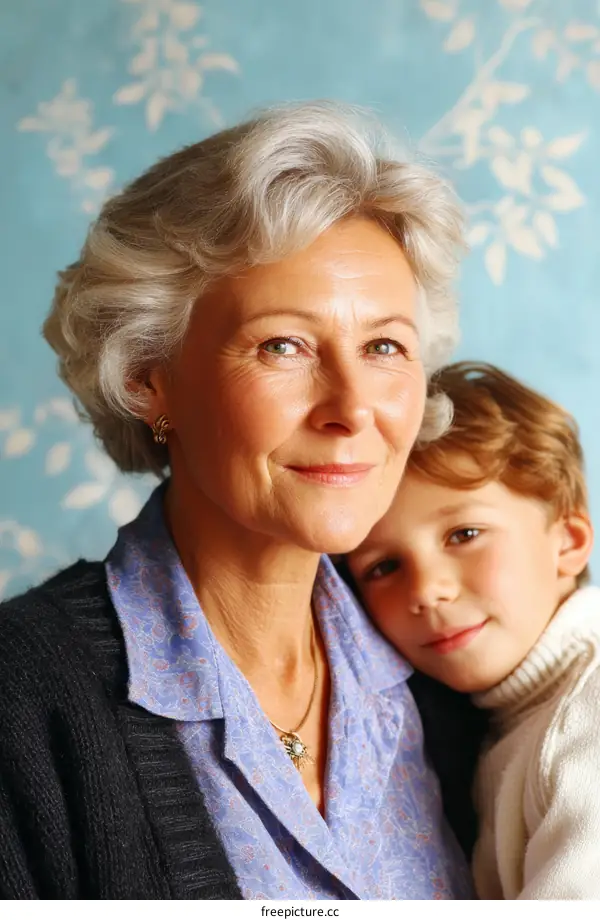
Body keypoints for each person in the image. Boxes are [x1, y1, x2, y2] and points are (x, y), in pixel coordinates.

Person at [0, 102, 477, 900]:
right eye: (282, 345)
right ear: (148, 377)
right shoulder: (21, 703)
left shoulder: (454, 659)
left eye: (384, 345)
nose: (353, 408)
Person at [346, 361, 598, 899]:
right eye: (383, 567)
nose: (426, 590)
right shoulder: (504, 719)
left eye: (464, 533)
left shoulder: (589, 706)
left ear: (569, 541)